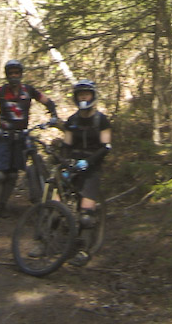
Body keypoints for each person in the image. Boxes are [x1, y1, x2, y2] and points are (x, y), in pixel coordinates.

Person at [0, 59, 59, 223]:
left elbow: (47, 101)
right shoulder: (0, 92)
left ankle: (3, 205)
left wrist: (53, 115)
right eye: (11, 73)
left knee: (13, 174)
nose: (14, 76)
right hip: (4, 137)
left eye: (17, 73)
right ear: (7, 75)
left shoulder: (29, 90)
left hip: (22, 136)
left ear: (21, 74)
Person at [60, 79, 112, 266]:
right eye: (80, 95)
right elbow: (66, 145)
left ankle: (84, 250)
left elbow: (106, 147)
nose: (83, 98)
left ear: (93, 96)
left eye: (86, 94)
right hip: (73, 166)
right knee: (55, 205)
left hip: (92, 168)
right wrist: (65, 165)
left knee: (86, 215)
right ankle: (44, 241)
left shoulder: (101, 120)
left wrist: (88, 162)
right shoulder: (72, 120)